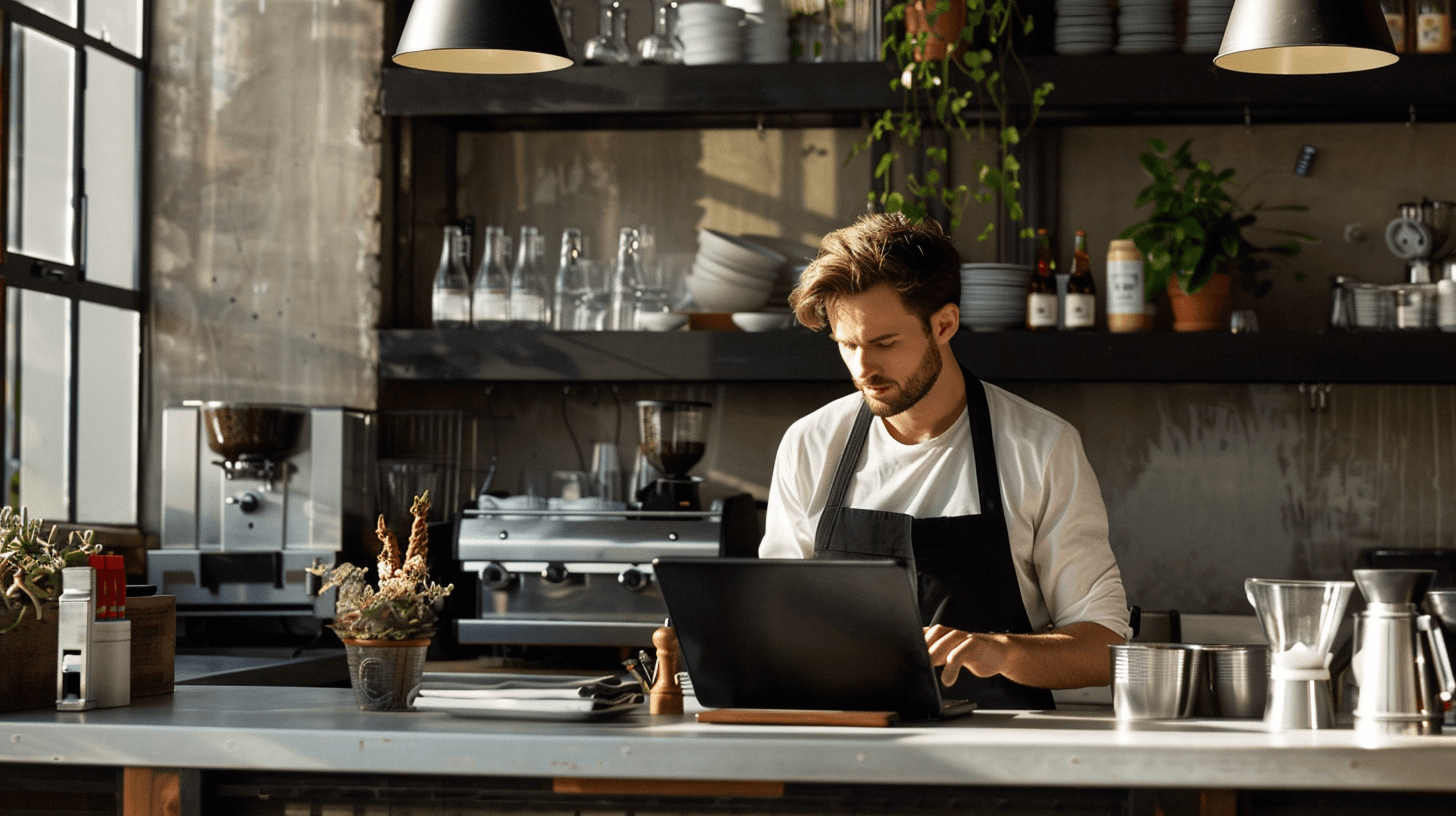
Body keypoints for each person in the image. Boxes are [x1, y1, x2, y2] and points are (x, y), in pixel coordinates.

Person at [758, 213, 1130, 710]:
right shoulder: (810, 444)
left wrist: (1000, 650)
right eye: (848, 346)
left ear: (944, 324)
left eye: (884, 343)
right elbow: (776, 622)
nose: (863, 369)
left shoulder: (1041, 447)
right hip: (844, 745)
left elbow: (1105, 647)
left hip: (1003, 752)